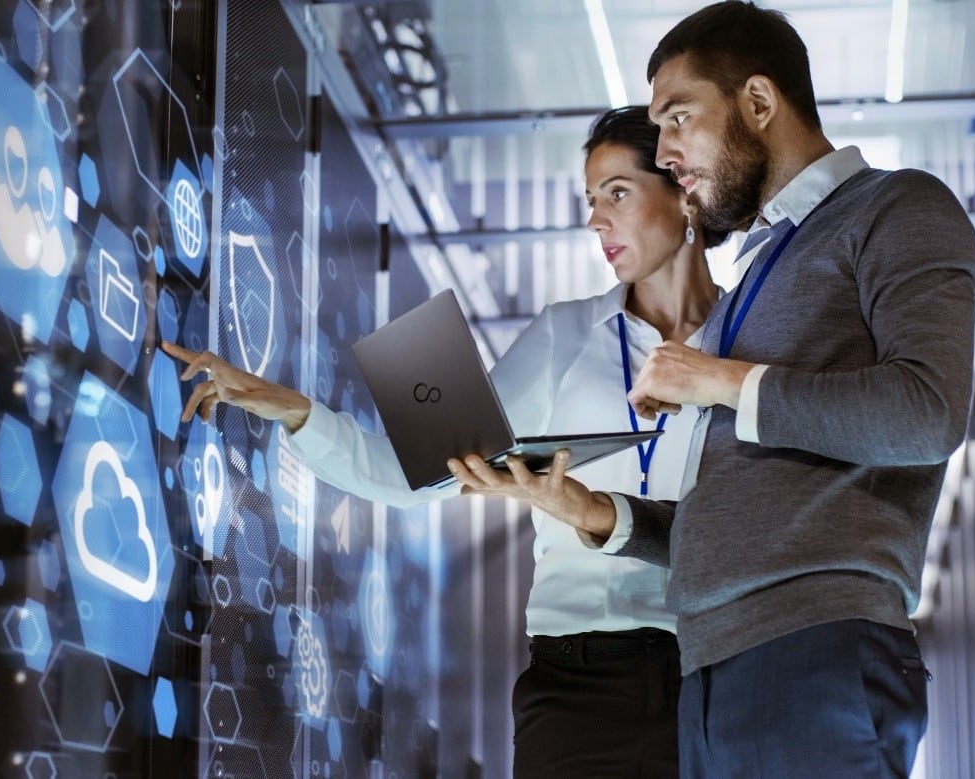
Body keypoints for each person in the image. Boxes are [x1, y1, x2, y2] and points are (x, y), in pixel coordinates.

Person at [447, 3, 975, 777]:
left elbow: (926, 412)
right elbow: (728, 511)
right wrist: (594, 514)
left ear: (758, 104)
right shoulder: (755, 279)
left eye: (678, 117)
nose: (666, 152)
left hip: (816, 650)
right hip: (710, 673)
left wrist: (720, 378)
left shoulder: (898, 207)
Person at [162, 105, 727, 777]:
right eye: (589, 200)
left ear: (683, 192)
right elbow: (414, 474)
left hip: (712, 672)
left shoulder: (748, 344)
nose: (595, 219)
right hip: (576, 678)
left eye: (617, 193)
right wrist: (290, 409)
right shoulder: (563, 335)